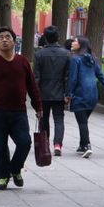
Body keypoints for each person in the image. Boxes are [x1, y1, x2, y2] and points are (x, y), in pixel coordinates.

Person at [0, 27, 42, 191]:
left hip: (19, 112)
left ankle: (15, 169)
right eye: (1, 37)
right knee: (0, 146)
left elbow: (32, 86)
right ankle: (2, 177)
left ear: (14, 41)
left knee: (25, 142)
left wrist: (38, 107)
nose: (4, 40)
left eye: (7, 37)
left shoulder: (22, 61)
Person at [65, 36, 104, 157]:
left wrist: (68, 94)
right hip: (93, 95)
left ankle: (87, 145)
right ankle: (81, 144)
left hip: (80, 94)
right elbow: (100, 75)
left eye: (75, 41)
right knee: (84, 120)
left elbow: (73, 79)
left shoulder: (75, 59)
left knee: (82, 122)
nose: (73, 42)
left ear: (80, 45)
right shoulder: (93, 59)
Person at [34, 26, 72, 156]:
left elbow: (36, 77)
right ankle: (57, 145)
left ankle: (45, 144)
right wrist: (67, 94)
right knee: (59, 119)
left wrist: (35, 95)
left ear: (45, 37)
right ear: (58, 37)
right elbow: (68, 76)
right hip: (59, 93)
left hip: (43, 93)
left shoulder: (39, 54)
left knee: (43, 120)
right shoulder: (66, 54)